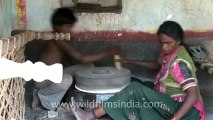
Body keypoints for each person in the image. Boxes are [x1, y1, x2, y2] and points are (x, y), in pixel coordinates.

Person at [70, 21, 206, 120]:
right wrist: (128, 61)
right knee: (139, 83)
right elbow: (156, 65)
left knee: (135, 89)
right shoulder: (172, 52)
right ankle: (105, 108)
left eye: (168, 43)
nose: (164, 47)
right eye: (161, 43)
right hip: (169, 98)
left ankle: (89, 116)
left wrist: (174, 118)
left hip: (185, 110)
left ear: (178, 41)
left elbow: (192, 95)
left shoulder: (180, 62)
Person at [33, 7, 119, 119]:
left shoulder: (61, 38)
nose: (71, 29)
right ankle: (42, 95)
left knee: (88, 67)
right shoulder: (56, 38)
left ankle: (74, 98)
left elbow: (77, 60)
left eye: (71, 26)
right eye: (68, 26)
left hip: (55, 73)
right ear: (58, 26)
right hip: (43, 79)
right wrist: (108, 52)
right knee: (66, 79)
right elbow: (81, 58)